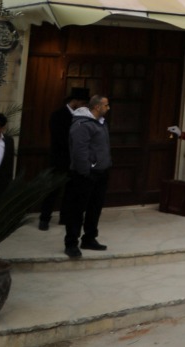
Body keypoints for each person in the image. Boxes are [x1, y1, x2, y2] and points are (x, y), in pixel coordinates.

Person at [62, 94, 111, 258]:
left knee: (95, 208)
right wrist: (86, 171)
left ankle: (89, 238)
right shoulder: (82, 124)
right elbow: (79, 151)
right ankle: (71, 243)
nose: (108, 108)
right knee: (77, 210)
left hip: (101, 173)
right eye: (106, 105)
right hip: (84, 175)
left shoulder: (101, 123)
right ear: (97, 107)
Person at [39, 88, 89, 230]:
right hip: (59, 159)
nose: (84, 106)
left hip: (75, 161)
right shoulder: (58, 115)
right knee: (53, 189)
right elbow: (59, 138)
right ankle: (44, 218)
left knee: (71, 190)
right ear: (75, 102)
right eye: (83, 103)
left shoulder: (82, 117)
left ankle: (65, 217)